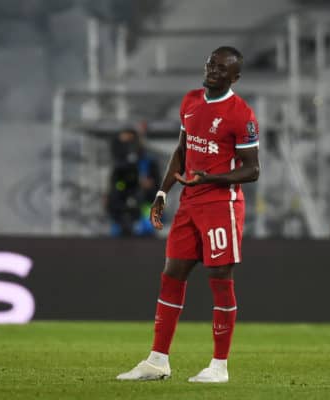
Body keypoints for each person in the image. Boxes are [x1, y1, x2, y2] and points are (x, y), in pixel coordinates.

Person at [117, 46, 260, 383]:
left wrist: (211, 179)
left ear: (234, 77)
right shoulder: (190, 101)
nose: (213, 71)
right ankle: (157, 360)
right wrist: (163, 193)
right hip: (190, 204)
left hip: (220, 206)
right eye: (211, 64)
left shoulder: (241, 114)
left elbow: (252, 170)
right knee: (171, 275)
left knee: (220, 280)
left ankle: (219, 366)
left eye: (222, 69)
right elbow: (181, 151)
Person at [106, 127, 161, 236]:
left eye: (131, 141)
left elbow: (156, 186)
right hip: (121, 208)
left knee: (146, 228)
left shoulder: (148, 163)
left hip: (144, 207)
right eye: (124, 142)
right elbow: (116, 184)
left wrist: (148, 185)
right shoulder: (119, 166)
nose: (127, 146)